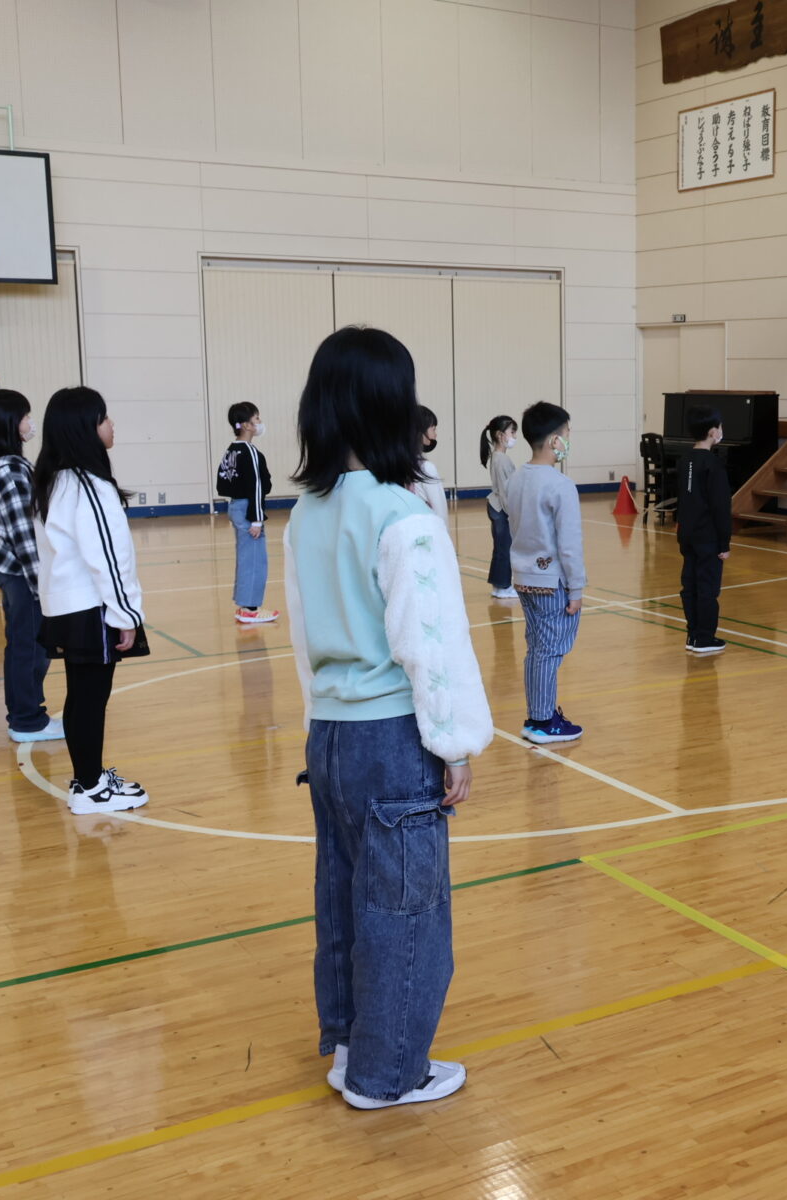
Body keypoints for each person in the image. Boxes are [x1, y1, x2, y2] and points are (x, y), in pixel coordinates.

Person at [284, 325, 493, 1110]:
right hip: (392, 739)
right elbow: (431, 646)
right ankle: (387, 1072)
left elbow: (304, 635)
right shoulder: (404, 517)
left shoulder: (308, 512)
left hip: (331, 735)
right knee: (405, 912)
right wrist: (455, 745)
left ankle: (347, 1043)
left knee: (342, 897)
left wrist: (320, 715)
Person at [34, 386, 150, 816]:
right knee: (89, 698)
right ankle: (90, 787)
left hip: (65, 606)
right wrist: (126, 613)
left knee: (81, 697)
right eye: (104, 418)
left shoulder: (55, 480)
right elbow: (109, 556)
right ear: (86, 428)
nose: (111, 424)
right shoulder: (86, 485)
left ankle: (89, 779)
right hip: (91, 608)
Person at [0, 388, 61, 742]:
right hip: (21, 573)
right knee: (30, 645)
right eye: (25, 416)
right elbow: (24, 534)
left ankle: (25, 712)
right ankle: (27, 719)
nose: (30, 422)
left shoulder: (3, 466)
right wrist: (43, 584)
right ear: (9, 424)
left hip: (9, 569)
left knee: (22, 643)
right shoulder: (9, 470)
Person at [505, 402, 586, 743]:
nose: (568, 440)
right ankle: (542, 720)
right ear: (555, 440)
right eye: (567, 434)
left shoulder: (517, 477)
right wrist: (577, 587)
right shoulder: (559, 484)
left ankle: (539, 713)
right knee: (550, 650)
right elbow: (569, 544)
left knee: (537, 648)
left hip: (524, 577)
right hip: (553, 582)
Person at [215, 402, 279, 625]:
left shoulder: (231, 450)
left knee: (246, 557)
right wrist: (257, 519)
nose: (260, 423)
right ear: (247, 425)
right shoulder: (250, 452)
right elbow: (258, 487)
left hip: (235, 506)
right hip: (248, 510)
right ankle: (250, 609)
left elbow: (221, 484)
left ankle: (244, 604)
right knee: (254, 559)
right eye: (257, 419)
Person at [676, 405, 731, 655]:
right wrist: (724, 543)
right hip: (708, 537)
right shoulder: (713, 464)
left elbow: (684, 500)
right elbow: (720, 506)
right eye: (719, 427)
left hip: (687, 535)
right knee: (707, 588)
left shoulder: (685, 459)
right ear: (712, 432)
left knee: (690, 585)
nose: (721, 431)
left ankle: (693, 634)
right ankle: (704, 637)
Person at [479, 414, 519, 600]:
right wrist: (513, 514)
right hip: (500, 508)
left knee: (501, 548)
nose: (514, 437)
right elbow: (505, 491)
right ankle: (503, 586)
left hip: (495, 506)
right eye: (512, 432)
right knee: (505, 548)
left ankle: (498, 585)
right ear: (500, 435)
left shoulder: (497, 457)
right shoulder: (501, 459)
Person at [410, 405, 450, 526]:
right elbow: (440, 511)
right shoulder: (426, 468)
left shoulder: (399, 465)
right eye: (433, 428)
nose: (435, 435)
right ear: (420, 431)